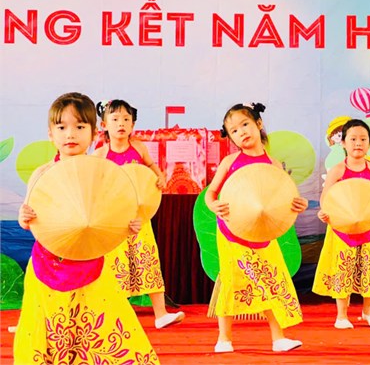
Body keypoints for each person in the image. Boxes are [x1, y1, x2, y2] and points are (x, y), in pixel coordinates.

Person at [14, 92, 160, 364]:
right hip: (48, 263)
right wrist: (24, 216)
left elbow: (116, 213)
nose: (70, 134)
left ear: (94, 133)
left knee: (104, 325)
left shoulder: (103, 172)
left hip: (92, 262)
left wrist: (130, 226)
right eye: (62, 127)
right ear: (50, 134)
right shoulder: (42, 174)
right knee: (51, 328)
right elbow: (28, 218)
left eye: (80, 126)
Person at [205, 103, 307, 353]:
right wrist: (213, 205)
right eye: (234, 130)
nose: (241, 132)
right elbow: (211, 192)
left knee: (270, 280)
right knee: (231, 281)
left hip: (262, 233)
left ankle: (278, 338)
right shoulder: (230, 161)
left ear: (258, 124)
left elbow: (282, 198)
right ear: (230, 137)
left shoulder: (273, 164)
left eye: (245, 124)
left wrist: (298, 204)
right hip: (232, 232)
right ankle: (224, 339)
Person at [93, 99, 184, 329]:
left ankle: (161, 314)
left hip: (139, 217)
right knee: (117, 265)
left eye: (126, 119)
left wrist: (159, 177)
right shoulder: (100, 154)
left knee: (148, 260)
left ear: (133, 125)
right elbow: (94, 184)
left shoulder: (139, 148)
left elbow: (152, 168)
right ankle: (118, 315)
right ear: (104, 125)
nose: (121, 124)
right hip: (114, 221)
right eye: (115, 119)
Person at [313, 119, 370, 329]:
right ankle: (341, 316)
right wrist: (324, 212)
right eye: (353, 139)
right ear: (343, 143)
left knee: (369, 269)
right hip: (343, 229)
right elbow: (326, 198)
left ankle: (368, 311)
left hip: (369, 227)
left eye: (363, 139)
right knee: (343, 269)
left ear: (369, 143)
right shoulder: (337, 170)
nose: (358, 143)